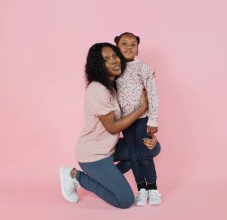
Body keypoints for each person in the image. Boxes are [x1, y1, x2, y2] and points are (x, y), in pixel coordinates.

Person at [59, 42, 160, 209]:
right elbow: (113, 127)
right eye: (106, 59)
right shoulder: (97, 90)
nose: (114, 61)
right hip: (93, 155)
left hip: (110, 148)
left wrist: (148, 133)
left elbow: (130, 120)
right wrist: (143, 107)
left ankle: (107, 178)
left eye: (114, 55)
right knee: (125, 201)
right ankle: (75, 176)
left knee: (151, 148)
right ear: (98, 65)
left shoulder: (114, 86)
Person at [114, 32, 161, 206]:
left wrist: (153, 120)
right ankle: (141, 188)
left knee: (145, 154)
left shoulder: (142, 67)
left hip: (142, 118)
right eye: (123, 44)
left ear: (138, 48)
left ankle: (153, 188)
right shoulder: (115, 68)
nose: (128, 47)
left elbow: (153, 94)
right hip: (126, 121)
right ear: (116, 47)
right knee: (133, 155)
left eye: (133, 44)